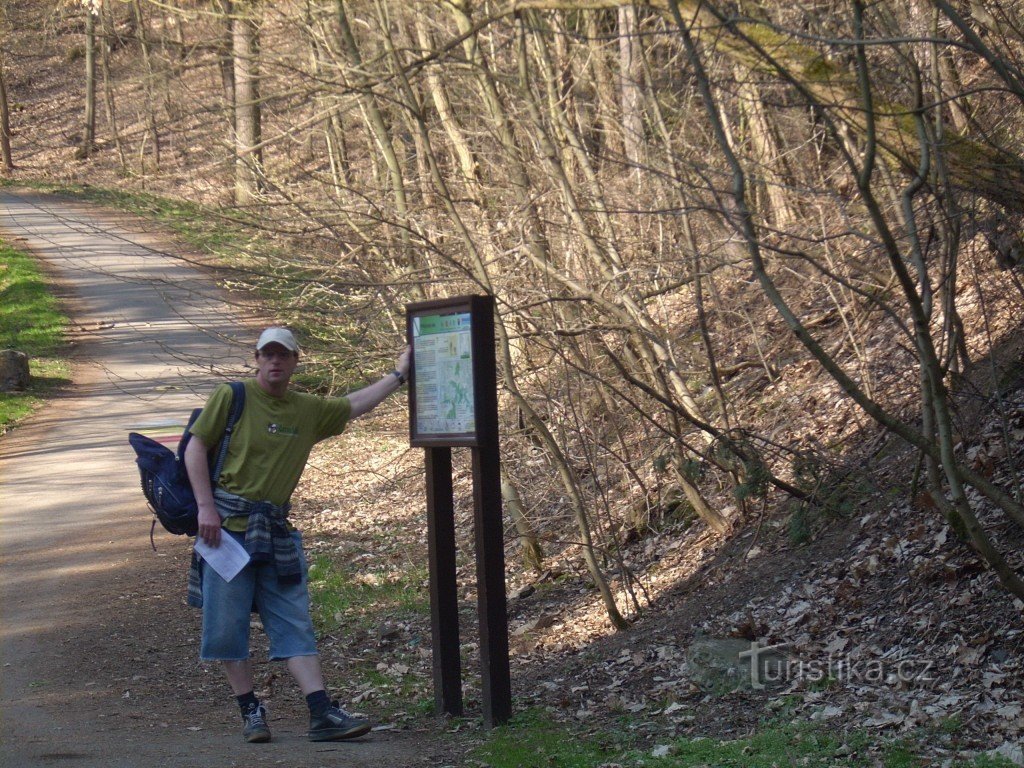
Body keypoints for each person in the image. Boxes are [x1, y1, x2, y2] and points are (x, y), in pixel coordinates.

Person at [183, 327, 410, 744]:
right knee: (226, 625)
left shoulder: (307, 409)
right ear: (256, 359)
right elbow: (195, 448)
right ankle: (251, 711)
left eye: (282, 356)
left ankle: (321, 712)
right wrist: (205, 508)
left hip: (275, 532)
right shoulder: (232, 397)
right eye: (267, 355)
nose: (274, 362)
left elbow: (355, 404)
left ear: (294, 362)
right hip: (225, 533)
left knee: (293, 620)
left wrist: (399, 375)